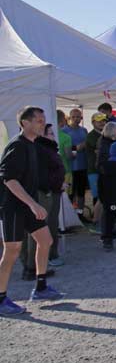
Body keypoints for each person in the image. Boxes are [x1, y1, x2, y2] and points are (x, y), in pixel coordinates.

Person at [0, 107, 63, 315]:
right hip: (14, 206)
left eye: (43, 120)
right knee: (12, 251)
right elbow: (9, 180)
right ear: (25, 123)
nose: (42, 124)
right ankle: (1, 298)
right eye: (38, 120)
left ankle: (41, 287)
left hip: (28, 204)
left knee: (45, 240)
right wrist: (33, 204)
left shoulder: (33, 145)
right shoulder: (17, 146)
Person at [25, 124, 66, 273]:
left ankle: (46, 258)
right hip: (46, 192)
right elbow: (42, 174)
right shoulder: (40, 149)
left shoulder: (47, 148)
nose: (53, 135)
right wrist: (54, 185)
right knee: (45, 226)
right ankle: (40, 262)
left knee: (51, 225)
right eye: (50, 133)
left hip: (52, 190)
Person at [85, 113, 108, 228]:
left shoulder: (105, 135)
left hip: (104, 170)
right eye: (99, 121)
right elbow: (99, 149)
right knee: (98, 197)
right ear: (93, 122)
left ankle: (103, 219)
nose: (102, 123)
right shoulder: (91, 136)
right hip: (94, 170)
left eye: (103, 120)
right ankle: (96, 221)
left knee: (103, 196)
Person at [63, 108, 88, 209]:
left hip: (83, 165)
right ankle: (71, 214)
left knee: (81, 192)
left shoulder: (84, 130)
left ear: (81, 118)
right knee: (70, 193)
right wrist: (76, 148)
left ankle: (80, 213)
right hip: (70, 167)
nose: (75, 119)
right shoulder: (64, 130)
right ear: (69, 118)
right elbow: (64, 148)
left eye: (78, 117)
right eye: (73, 117)